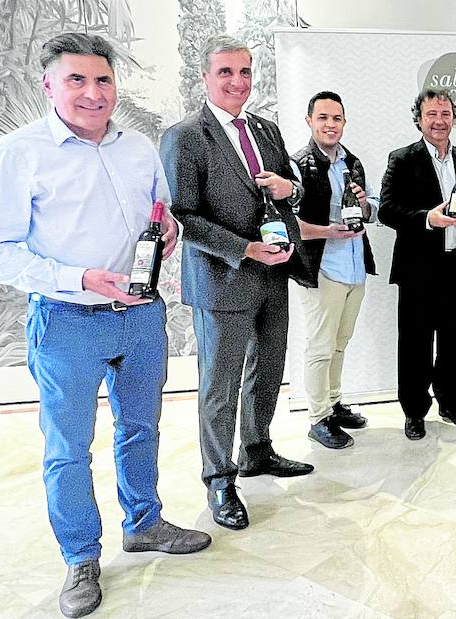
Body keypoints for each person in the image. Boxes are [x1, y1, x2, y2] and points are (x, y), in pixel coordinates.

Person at [0, 32, 210, 619]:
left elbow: (160, 213)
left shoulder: (138, 148)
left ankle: (144, 522)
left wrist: (169, 229)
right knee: (69, 449)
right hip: (67, 321)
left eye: (102, 80)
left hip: (141, 315)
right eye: (77, 80)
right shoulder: (17, 153)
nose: (93, 93)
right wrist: (79, 279)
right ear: (49, 85)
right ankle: (80, 558)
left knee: (141, 428)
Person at [160, 35, 314, 532]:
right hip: (222, 278)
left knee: (267, 371)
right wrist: (244, 249)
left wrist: (293, 189)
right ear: (205, 77)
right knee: (220, 386)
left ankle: (256, 449)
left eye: (245, 72)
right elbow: (182, 215)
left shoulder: (265, 129)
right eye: (226, 72)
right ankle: (219, 479)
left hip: (274, 274)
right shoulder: (185, 136)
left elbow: (294, 188)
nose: (237, 81)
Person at [378, 89, 456, 440]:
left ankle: (451, 401)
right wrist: (428, 218)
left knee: (454, 340)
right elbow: (387, 210)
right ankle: (415, 411)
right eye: (432, 114)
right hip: (417, 269)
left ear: (453, 118)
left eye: (445, 114)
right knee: (414, 343)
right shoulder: (401, 159)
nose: (439, 121)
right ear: (418, 118)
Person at [289, 90, 378, 449]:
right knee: (320, 347)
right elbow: (288, 223)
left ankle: (334, 404)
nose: (330, 124)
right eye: (323, 117)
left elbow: (373, 204)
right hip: (321, 268)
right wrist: (328, 231)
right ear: (309, 121)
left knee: (340, 343)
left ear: (344, 122)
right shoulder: (297, 163)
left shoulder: (352, 162)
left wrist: (364, 205)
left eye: (336, 118)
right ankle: (317, 418)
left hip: (355, 266)